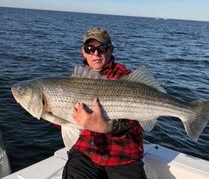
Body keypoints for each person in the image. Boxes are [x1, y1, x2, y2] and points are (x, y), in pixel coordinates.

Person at [62, 27, 147, 179]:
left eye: (102, 48)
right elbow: (67, 119)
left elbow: (137, 122)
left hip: (123, 155)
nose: (96, 54)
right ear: (83, 52)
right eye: (90, 48)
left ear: (111, 49)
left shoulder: (125, 77)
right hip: (86, 151)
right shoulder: (76, 80)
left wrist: (107, 127)